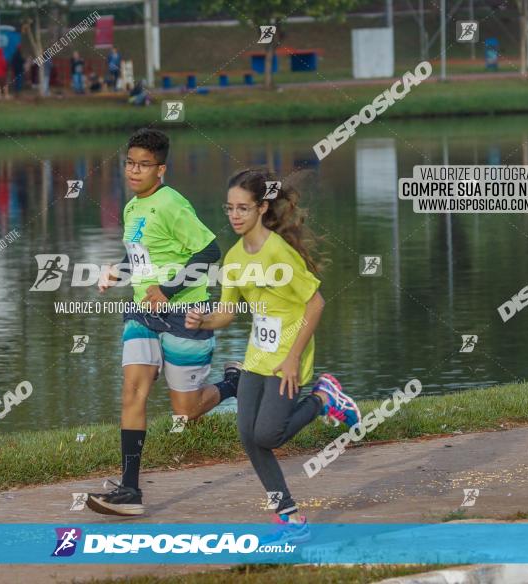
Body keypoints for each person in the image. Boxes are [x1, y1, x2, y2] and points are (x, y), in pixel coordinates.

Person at [184, 168, 362, 545]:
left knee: (269, 434)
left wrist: (294, 358)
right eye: (229, 208)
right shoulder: (232, 258)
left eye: (243, 209)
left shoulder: (278, 253)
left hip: (289, 353)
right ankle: (290, 517)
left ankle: (323, 398)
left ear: (262, 208)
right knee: (249, 436)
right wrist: (202, 320)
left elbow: (316, 305)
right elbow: (228, 312)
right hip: (257, 356)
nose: (234, 216)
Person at [86, 129, 242, 516]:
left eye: (144, 165)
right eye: (129, 163)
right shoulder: (131, 208)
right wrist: (116, 272)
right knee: (132, 392)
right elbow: (142, 260)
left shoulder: (172, 204)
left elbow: (210, 251)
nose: (134, 171)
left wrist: (169, 290)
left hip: (184, 314)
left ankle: (235, 383)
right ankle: (130, 490)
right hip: (142, 313)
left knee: (185, 412)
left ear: (161, 170)